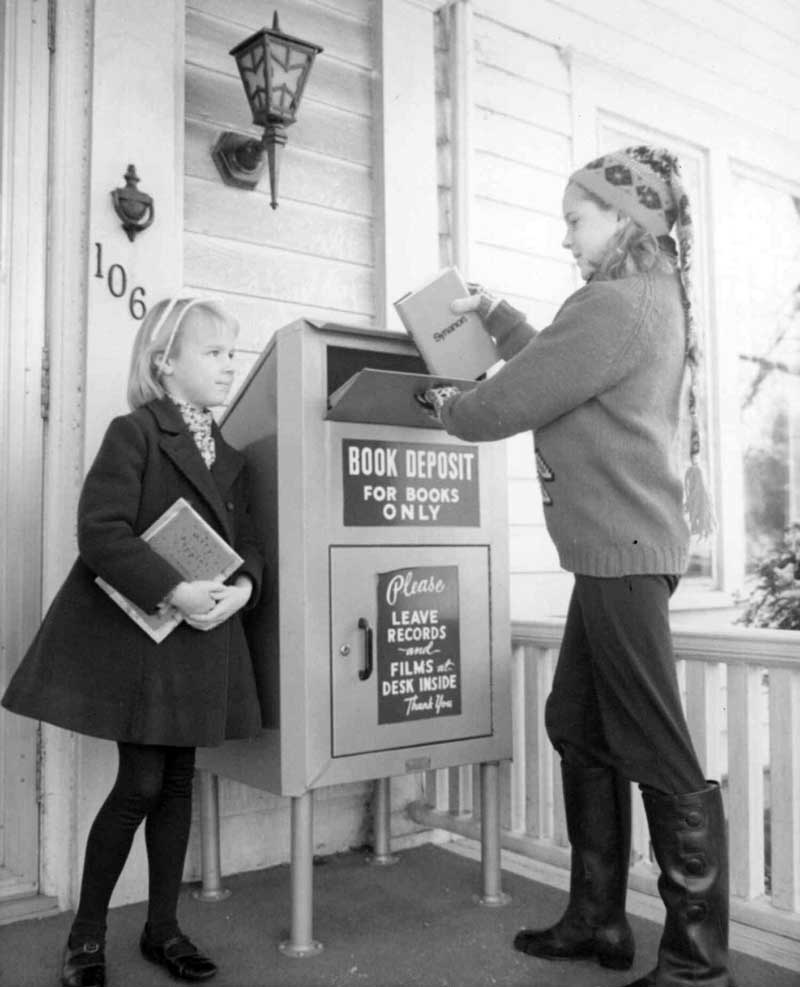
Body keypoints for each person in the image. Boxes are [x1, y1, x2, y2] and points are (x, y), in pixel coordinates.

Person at [419, 146, 731, 987]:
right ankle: (598, 919)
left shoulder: (612, 302)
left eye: (575, 219)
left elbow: (515, 397)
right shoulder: (641, 301)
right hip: (620, 554)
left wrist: (450, 406)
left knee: (657, 749)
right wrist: (503, 318)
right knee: (579, 721)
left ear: (623, 219)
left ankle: (698, 964)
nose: (566, 237)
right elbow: (563, 365)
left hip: (621, 555)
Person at [2, 296, 265, 987]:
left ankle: (162, 928)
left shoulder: (231, 457)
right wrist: (171, 588)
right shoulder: (136, 432)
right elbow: (101, 532)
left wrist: (246, 589)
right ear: (165, 364)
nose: (227, 366)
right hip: (147, 641)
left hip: (202, 639)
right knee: (141, 783)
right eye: (212, 353)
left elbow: (251, 550)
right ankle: (86, 935)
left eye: (232, 354)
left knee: (177, 783)